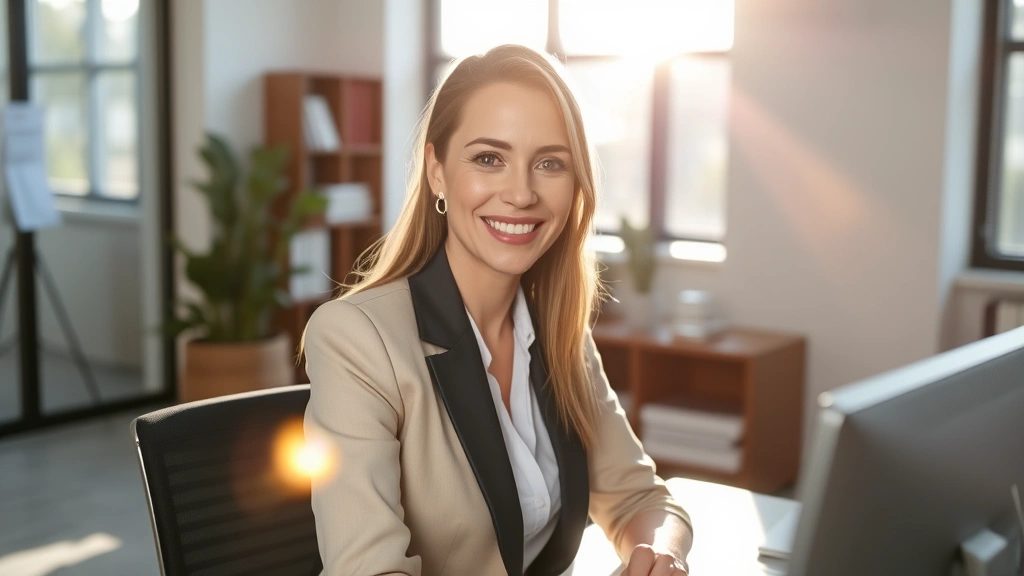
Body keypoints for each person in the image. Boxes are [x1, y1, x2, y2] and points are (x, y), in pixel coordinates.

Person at [301, 44, 693, 576]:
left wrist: (658, 554)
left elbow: (640, 499)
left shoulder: (559, 333)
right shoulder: (357, 339)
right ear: (437, 170)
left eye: (550, 163)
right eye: (489, 158)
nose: (521, 193)